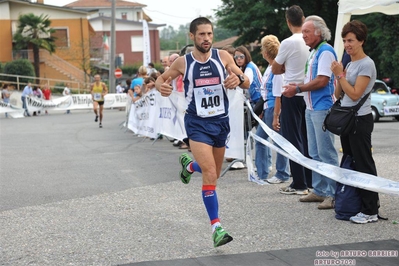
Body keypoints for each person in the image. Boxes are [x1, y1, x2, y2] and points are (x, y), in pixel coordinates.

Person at [155, 17, 250, 247]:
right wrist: (162, 87)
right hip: (197, 123)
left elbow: (245, 81)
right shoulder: (182, 62)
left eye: (209, 34)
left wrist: (237, 79)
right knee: (209, 172)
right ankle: (216, 227)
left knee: (214, 174)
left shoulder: (223, 57)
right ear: (192, 37)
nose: (206, 39)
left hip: (220, 122)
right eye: (201, 35)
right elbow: (161, 79)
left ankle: (189, 165)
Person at [282, 15, 339, 209]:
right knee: (314, 152)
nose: (303, 35)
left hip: (322, 108)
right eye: (303, 31)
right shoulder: (314, 52)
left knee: (326, 153)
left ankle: (332, 193)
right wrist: (298, 87)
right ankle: (320, 190)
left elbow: (323, 81)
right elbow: (313, 80)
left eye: (307, 31)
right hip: (311, 108)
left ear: (319, 32)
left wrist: (297, 89)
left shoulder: (325, 51)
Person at [331, 20, 379, 223]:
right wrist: (339, 75)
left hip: (360, 119)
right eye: (344, 40)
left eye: (350, 40)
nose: (347, 44)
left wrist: (340, 75)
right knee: (351, 161)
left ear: (361, 41)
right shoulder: (350, 64)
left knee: (363, 163)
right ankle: (355, 203)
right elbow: (338, 93)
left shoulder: (366, 64)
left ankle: (370, 211)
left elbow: (356, 93)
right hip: (348, 119)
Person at [271, 5, 311, 195]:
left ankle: (299, 183)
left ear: (288, 21)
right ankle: (310, 179)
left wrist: (286, 67)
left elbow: (275, 69)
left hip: (291, 93)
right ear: (303, 19)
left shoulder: (288, 42)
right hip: (308, 92)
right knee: (307, 138)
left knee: (293, 140)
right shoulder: (310, 40)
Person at [255, 35, 290, 183]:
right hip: (268, 107)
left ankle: (281, 173)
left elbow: (278, 96)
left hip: (273, 108)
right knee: (262, 139)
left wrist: (276, 115)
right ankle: (264, 173)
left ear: (266, 53)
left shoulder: (276, 69)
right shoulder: (271, 67)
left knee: (277, 141)